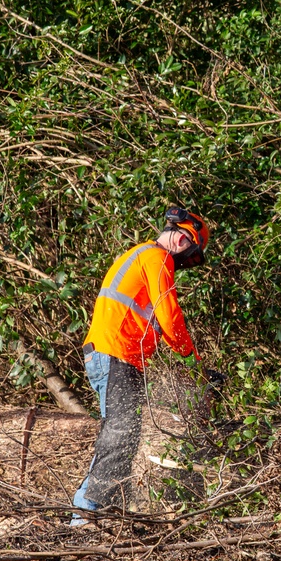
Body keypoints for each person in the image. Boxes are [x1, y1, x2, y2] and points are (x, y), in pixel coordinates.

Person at [72, 207, 210, 522]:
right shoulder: (156, 257)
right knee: (122, 432)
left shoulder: (141, 256)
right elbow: (169, 315)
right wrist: (192, 360)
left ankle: (90, 510)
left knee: (119, 433)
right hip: (116, 354)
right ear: (180, 238)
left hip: (114, 355)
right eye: (187, 258)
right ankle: (85, 514)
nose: (182, 267)